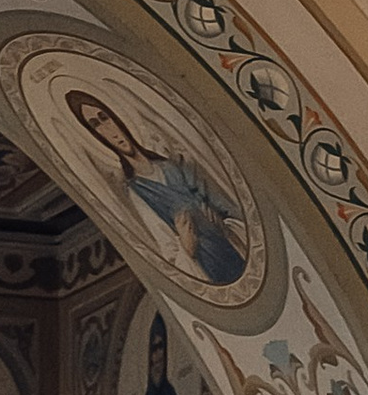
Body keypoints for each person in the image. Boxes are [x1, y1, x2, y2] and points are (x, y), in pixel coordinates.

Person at [65, 88, 250, 291]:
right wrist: (186, 245)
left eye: (104, 118)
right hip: (210, 267)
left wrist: (222, 222)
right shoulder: (137, 192)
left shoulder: (173, 165)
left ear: (117, 119)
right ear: (95, 136)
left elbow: (227, 207)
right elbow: (169, 255)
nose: (108, 129)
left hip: (233, 249)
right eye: (96, 125)